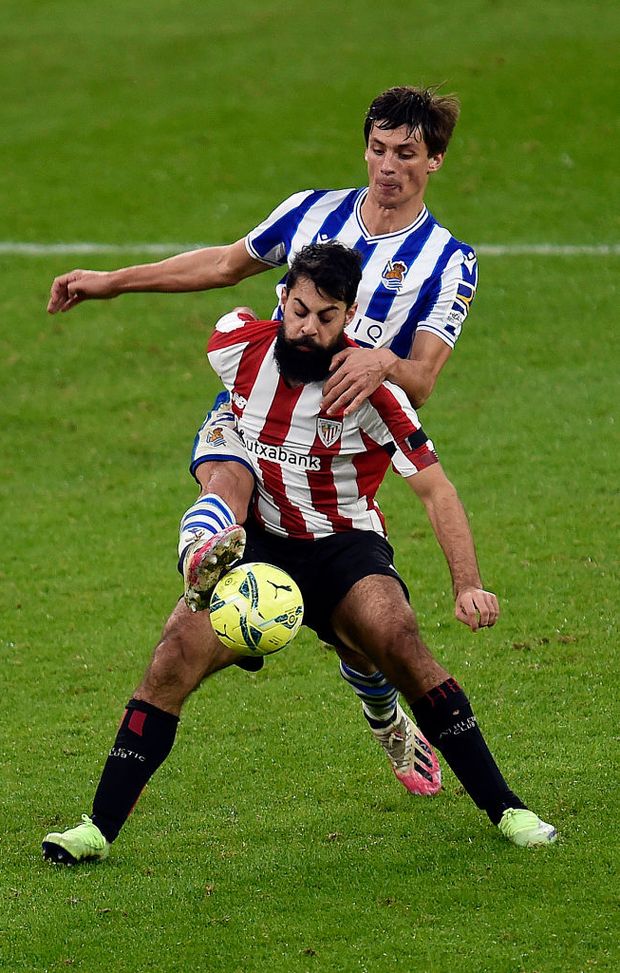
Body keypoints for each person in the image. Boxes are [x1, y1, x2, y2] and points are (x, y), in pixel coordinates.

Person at [42, 243, 556, 865]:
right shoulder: (236, 348)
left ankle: (507, 808)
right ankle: (95, 829)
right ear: (282, 298)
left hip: (345, 549)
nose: (309, 329)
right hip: (258, 547)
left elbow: (435, 488)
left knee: (397, 639)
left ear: (350, 317)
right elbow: (220, 321)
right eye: (300, 310)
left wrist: (467, 584)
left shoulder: (371, 394)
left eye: (327, 317)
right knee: (172, 656)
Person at [45, 86, 479, 793]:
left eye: (406, 153)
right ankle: (204, 559)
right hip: (260, 409)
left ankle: (383, 711)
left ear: (435, 159)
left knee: (359, 625)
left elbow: (423, 378)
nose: (387, 166)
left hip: (344, 447)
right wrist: (112, 283)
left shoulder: (448, 260)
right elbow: (223, 265)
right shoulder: (310, 210)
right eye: (378, 148)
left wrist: (381, 361)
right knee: (226, 474)